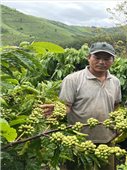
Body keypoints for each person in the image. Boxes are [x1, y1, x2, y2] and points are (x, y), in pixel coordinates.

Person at [42, 42, 121, 170]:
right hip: (78, 140)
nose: (101, 62)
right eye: (97, 57)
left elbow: (116, 105)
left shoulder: (115, 81)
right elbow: (66, 106)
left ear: (113, 61)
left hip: (106, 138)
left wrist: (117, 126)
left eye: (106, 59)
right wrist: (58, 110)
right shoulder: (73, 79)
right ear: (88, 57)